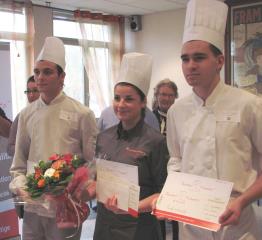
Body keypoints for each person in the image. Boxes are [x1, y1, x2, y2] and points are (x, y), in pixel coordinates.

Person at [165, 0, 262, 239]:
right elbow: (176, 159)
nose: (190, 66)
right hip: (190, 224)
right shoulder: (177, 111)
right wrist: (171, 197)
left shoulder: (249, 105)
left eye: (199, 57)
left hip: (236, 224)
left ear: (219, 61)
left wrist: (242, 201)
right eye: (185, 59)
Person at [9, 36, 98, 240]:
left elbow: (92, 161)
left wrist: (76, 188)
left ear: (62, 76)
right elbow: (19, 162)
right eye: (37, 72)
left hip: (65, 206)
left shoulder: (82, 113)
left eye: (47, 72)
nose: (40, 77)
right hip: (32, 207)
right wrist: (22, 187)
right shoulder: (26, 114)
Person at [74, 52, 168, 240]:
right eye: (117, 98)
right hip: (105, 228)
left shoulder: (155, 141)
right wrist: (77, 191)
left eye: (129, 99)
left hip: (139, 229)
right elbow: (98, 183)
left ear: (143, 103)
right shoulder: (104, 137)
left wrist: (131, 206)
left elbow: (164, 193)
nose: (121, 104)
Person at [152, 78, 178, 240]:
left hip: (175, 169)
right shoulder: (148, 117)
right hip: (156, 169)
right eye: (162, 94)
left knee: (176, 208)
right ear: (156, 96)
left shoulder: (181, 116)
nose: (166, 98)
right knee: (158, 206)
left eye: (170, 95)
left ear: (175, 97)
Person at [7, 75, 40, 157]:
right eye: (28, 91)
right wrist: (25, 150)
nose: (31, 95)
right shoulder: (21, 115)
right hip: (28, 165)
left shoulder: (53, 113)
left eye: (35, 91)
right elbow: (9, 149)